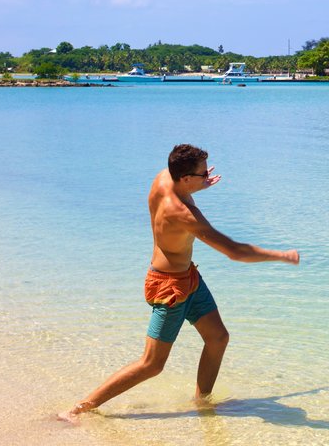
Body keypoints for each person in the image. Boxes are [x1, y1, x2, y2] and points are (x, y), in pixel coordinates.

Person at [62, 144, 299, 421]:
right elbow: (235, 251)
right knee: (151, 364)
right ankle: (78, 409)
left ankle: (203, 403)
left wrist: (198, 184)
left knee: (218, 338)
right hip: (168, 289)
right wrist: (280, 255)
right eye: (202, 174)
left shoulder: (164, 177)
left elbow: (187, 184)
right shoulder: (183, 214)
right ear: (185, 178)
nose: (207, 177)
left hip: (189, 279)